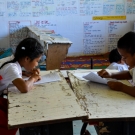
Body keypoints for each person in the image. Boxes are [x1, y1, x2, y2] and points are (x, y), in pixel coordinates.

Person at [0, 37, 44, 135]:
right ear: (27, 58)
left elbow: (12, 74)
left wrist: (26, 73)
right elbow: (24, 88)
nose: (37, 64)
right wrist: (33, 78)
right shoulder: (12, 67)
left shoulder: (14, 61)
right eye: (37, 61)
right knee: (11, 122)